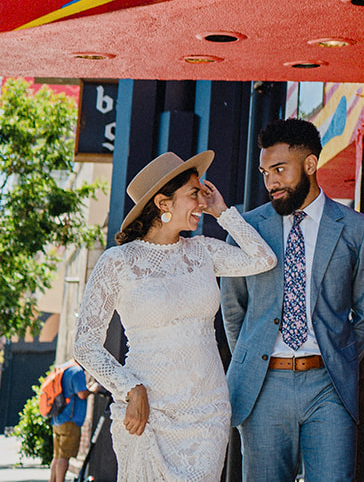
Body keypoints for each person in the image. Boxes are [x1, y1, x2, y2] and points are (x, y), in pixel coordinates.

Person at [73, 151, 276, 482]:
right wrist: (130, 387)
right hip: (148, 411)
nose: (201, 201)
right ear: (163, 204)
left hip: (207, 413)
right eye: (193, 193)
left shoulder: (203, 252)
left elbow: (263, 258)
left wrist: (222, 212)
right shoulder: (118, 262)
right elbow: (85, 344)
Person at [221, 118, 364, 482]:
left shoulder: (356, 229)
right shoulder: (246, 231)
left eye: (279, 170)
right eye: (265, 172)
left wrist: (337, 356)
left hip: (328, 386)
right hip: (263, 388)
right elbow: (234, 312)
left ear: (310, 165)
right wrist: (255, 358)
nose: (271, 182)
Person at [48, 360, 87, 482]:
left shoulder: (64, 367)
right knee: (64, 458)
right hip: (70, 420)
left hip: (57, 418)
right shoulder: (77, 371)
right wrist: (93, 389)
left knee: (57, 456)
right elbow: (82, 394)